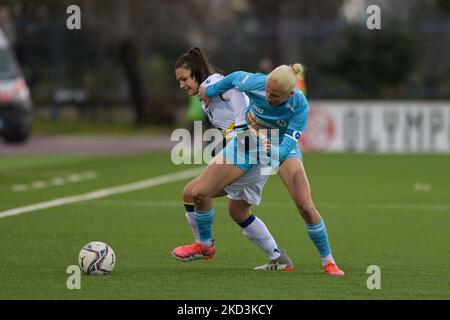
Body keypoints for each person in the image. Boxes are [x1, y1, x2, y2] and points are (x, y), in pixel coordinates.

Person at [188, 63, 345, 276]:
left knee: (305, 206)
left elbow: (288, 145)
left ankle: (329, 262)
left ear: (290, 93)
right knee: (197, 192)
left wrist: (274, 149)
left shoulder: (299, 104)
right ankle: (205, 246)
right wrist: (209, 91)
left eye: (275, 95)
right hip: (247, 143)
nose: (268, 97)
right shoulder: (258, 82)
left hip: (281, 148)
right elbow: (233, 78)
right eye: (267, 92)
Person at [172, 48, 293, 271]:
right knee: (236, 210)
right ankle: (279, 259)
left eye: (184, 79)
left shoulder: (215, 82)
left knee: (197, 192)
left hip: (248, 148)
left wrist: (239, 130)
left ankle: (204, 245)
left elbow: (237, 93)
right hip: (252, 150)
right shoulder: (205, 92)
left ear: (196, 73)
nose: (181, 85)